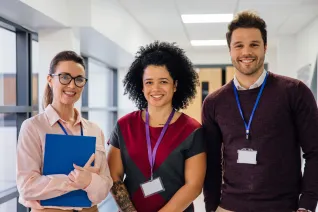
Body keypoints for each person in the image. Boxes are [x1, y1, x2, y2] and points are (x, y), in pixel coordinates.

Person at [202, 10, 318, 212]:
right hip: (229, 207)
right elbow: (211, 162)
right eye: (239, 45)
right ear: (230, 50)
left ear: (265, 47)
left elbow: (315, 152)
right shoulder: (214, 102)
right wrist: (211, 207)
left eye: (254, 44)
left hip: (283, 207)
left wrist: (307, 205)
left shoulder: (295, 92)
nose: (246, 52)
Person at [107, 41, 206, 212]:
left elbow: (194, 185)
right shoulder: (124, 126)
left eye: (163, 82)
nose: (156, 89)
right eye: (149, 82)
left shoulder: (192, 130)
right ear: (141, 85)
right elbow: (113, 176)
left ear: (175, 85)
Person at [16, 51, 113, 212]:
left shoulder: (94, 130)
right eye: (65, 77)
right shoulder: (33, 127)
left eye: (79, 79)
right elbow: (27, 187)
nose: (72, 85)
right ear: (50, 80)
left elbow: (105, 187)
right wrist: (76, 180)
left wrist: (90, 181)